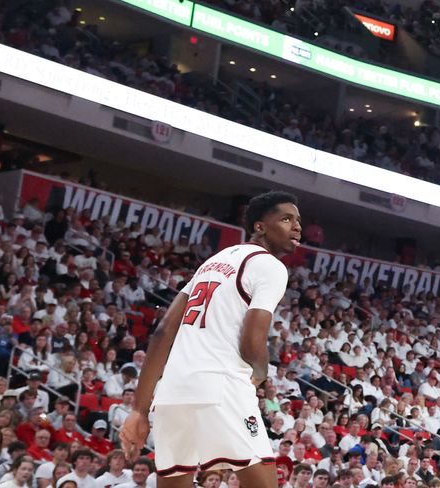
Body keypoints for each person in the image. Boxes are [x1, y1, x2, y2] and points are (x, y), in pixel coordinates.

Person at [117, 191, 302, 488]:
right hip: (221, 386)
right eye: (286, 218)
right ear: (259, 227)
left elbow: (163, 332)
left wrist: (139, 409)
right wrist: (262, 374)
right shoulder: (270, 266)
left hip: (172, 394)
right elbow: (251, 343)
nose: (296, 227)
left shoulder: (212, 263)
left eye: (297, 221)